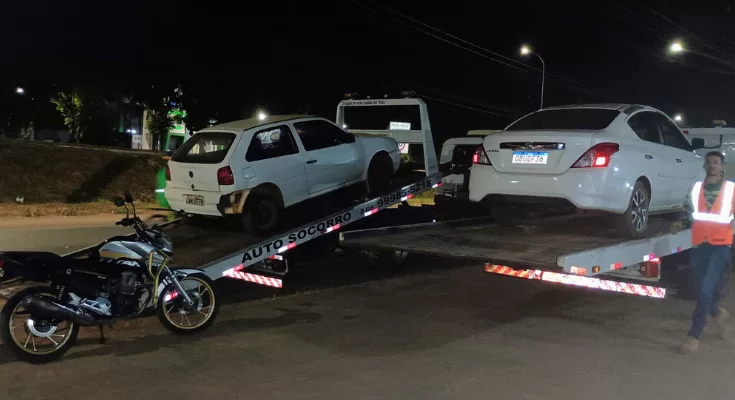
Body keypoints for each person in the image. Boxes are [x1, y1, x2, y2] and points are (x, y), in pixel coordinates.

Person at [671, 150, 734, 354]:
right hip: (699, 244)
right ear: (705, 165)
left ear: (722, 166)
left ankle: (694, 334)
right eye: (709, 162)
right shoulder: (696, 187)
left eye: (716, 162)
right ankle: (716, 311)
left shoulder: (730, 189)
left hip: (721, 245)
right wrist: (680, 223)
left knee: (706, 287)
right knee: (700, 287)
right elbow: (689, 212)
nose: (712, 165)